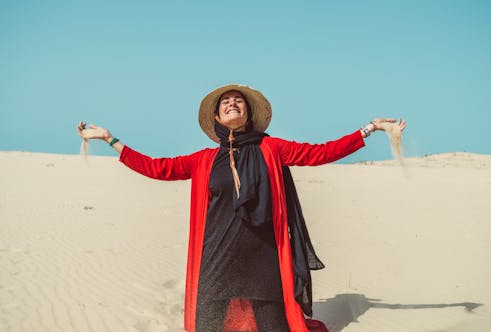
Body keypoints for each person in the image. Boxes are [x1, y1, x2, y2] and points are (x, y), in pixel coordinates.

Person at [77, 84, 406, 332]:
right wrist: (110, 139)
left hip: (264, 260)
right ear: (218, 117)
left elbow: (320, 152)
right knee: (207, 325)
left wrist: (369, 129)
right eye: (225, 102)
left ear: (248, 115)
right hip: (216, 259)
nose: (232, 103)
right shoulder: (204, 160)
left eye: (238, 101)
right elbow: (155, 167)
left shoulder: (272, 148)